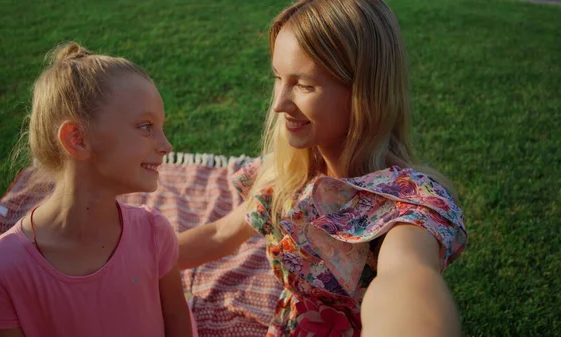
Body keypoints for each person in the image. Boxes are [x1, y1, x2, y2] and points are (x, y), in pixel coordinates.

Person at [178, 0, 467, 336]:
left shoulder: (405, 208)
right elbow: (219, 235)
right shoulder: (288, 175)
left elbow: (404, 278)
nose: (279, 104)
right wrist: (134, 256)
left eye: (304, 85)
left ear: (363, 92)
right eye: (278, 78)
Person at [0, 42, 194, 337]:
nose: (166, 146)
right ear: (78, 140)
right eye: (146, 126)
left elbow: (176, 319)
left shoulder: (153, 232)